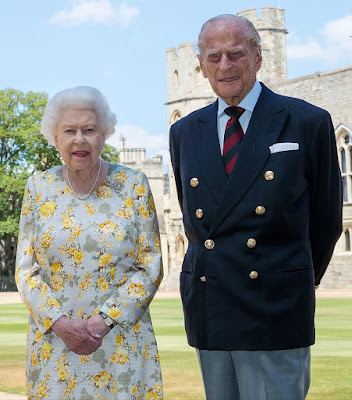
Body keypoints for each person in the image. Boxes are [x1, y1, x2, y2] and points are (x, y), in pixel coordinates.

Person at [169, 14, 342, 400]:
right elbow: (193, 216)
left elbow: (327, 219)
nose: (225, 66)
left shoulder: (306, 121)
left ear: (259, 57)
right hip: (211, 306)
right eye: (214, 57)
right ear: (201, 65)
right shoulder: (184, 132)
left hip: (275, 306)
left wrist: (288, 277)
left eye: (236, 54)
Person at [16, 86, 163, 400]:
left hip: (120, 342)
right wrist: (61, 324)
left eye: (89, 129)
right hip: (55, 346)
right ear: (55, 137)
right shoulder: (38, 187)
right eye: (69, 130)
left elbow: (150, 265)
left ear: (105, 134)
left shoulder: (134, 184)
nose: (79, 139)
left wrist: (104, 320)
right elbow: (26, 270)